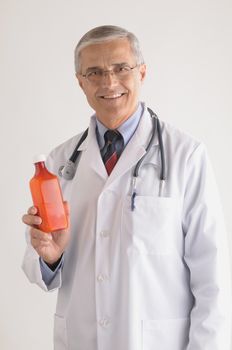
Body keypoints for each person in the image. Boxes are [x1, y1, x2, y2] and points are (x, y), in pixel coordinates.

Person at [22, 25, 231, 350]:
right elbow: (38, 268)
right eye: (94, 72)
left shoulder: (186, 156)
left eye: (121, 68)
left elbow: (213, 278)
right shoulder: (59, 163)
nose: (109, 82)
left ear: (142, 72)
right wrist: (50, 259)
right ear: (81, 82)